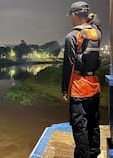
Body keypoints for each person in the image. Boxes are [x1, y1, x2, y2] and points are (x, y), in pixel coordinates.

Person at [62, 1, 102, 158]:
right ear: (86, 15)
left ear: (73, 15)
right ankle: (94, 152)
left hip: (78, 89)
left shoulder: (72, 36)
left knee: (80, 128)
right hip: (94, 86)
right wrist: (92, 18)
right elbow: (97, 22)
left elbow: (68, 66)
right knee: (93, 123)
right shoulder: (97, 33)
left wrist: (65, 90)